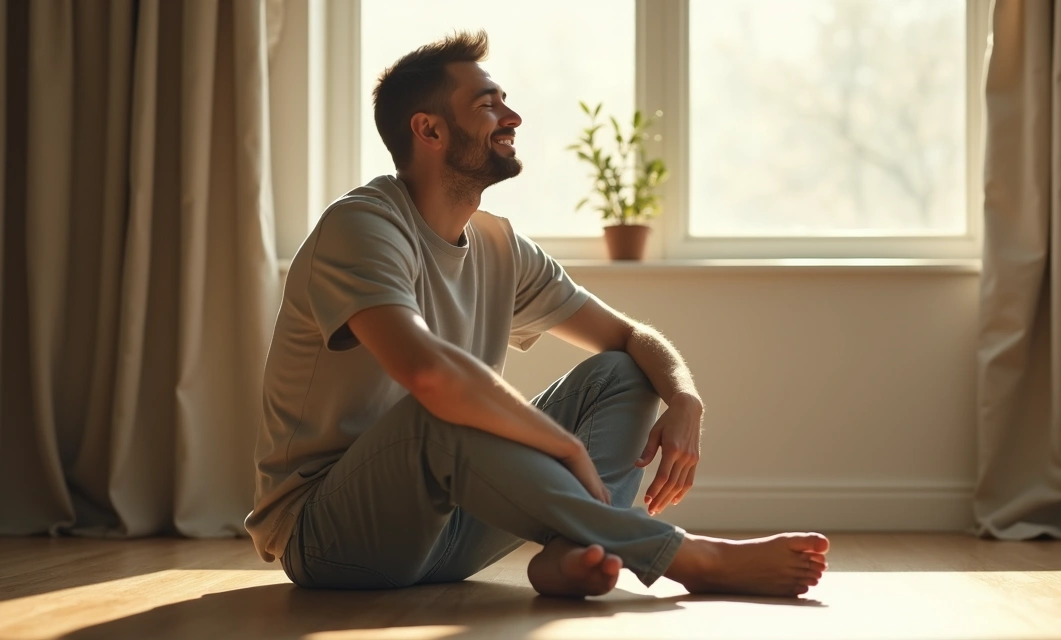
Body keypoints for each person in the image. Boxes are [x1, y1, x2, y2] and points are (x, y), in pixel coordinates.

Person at [246, 30, 829, 598]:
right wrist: (565, 447)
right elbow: (429, 376)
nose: (513, 117)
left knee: (624, 370)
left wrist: (685, 397)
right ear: (428, 129)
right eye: (487, 103)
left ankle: (577, 550)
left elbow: (629, 336)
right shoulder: (363, 227)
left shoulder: (500, 246)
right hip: (331, 535)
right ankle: (684, 556)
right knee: (445, 412)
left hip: (450, 530)